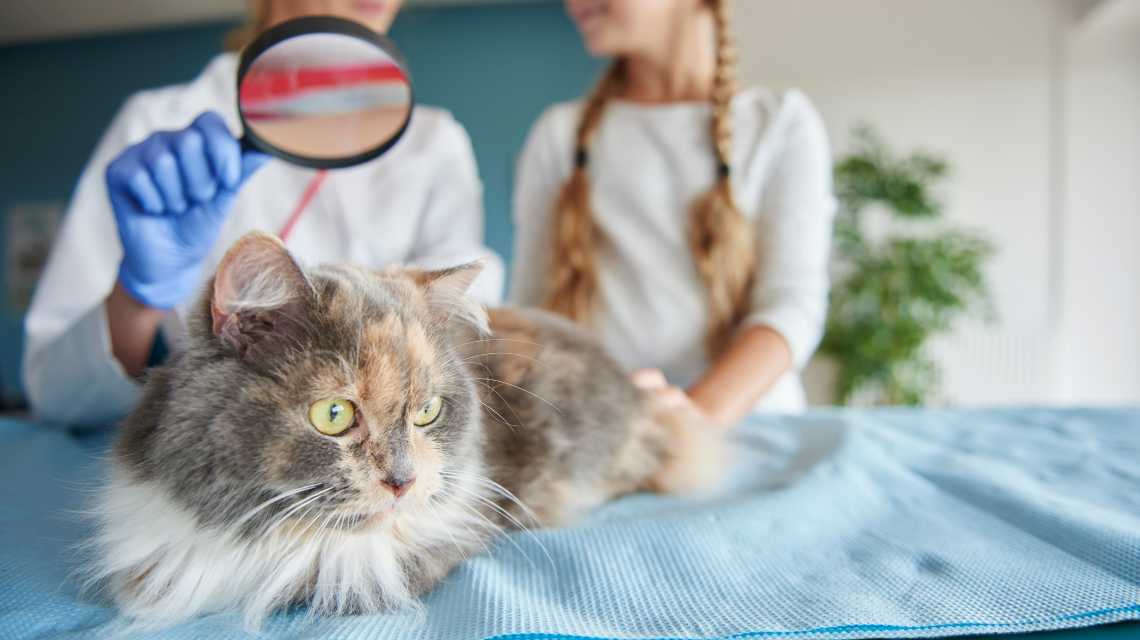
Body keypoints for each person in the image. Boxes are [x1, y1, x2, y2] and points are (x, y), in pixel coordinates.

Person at [22, 0, 504, 426]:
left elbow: (454, 351)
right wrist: (139, 296)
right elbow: (55, 393)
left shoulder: (433, 143)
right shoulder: (159, 122)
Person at [510, 0, 836, 427]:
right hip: (608, 437)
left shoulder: (779, 123)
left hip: (753, 430)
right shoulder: (558, 136)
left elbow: (791, 303)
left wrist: (695, 416)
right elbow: (530, 313)